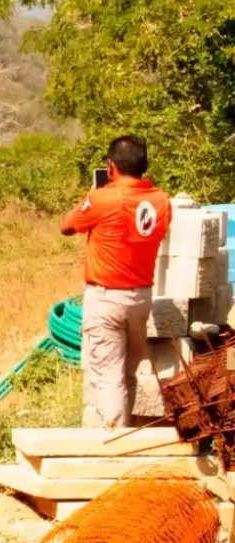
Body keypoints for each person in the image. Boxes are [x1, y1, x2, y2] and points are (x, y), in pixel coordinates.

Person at [60, 135, 171, 429]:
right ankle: (126, 432)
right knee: (127, 375)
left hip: (106, 299)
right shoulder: (162, 201)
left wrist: (90, 196)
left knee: (108, 377)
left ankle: (113, 446)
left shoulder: (101, 199)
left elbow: (67, 225)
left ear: (111, 167)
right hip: (141, 298)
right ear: (143, 166)